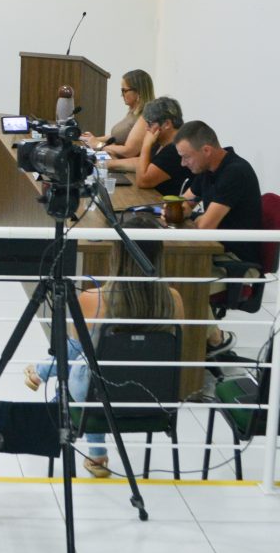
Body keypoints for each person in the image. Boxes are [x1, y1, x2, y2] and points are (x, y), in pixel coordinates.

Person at [24, 212, 184, 477]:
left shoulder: (93, 298)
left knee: (81, 362)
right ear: (159, 254)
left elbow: (76, 350)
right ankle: (95, 456)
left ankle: (42, 375)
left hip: (100, 397)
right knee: (91, 366)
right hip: (153, 396)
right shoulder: (173, 300)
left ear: (116, 253)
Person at [174, 120, 262, 355]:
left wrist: (189, 217)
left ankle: (216, 340)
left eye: (186, 157)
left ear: (206, 150)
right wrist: (179, 211)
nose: (183, 164)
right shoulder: (207, 170)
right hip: (215, 254)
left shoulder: (235, 172)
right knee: (169, 272)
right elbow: (184, 204)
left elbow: (205, 226)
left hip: (237, 263)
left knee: (179, 284)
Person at [107, 97, 192, 195]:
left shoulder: (175, 149)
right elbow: (143, 163)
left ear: (167, 124)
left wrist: (146, 145)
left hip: (163, 202)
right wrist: (110, 164)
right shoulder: (162, 142)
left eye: (150, 124)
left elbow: (143, 181)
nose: (147, 128)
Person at [81, 69, 155, 159]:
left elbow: (129, 151)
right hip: (113, 159)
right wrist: (91, 139)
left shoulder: (145, 117)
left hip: (121, 165)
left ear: (138, 91)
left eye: (124, 90)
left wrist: (98, 144)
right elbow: (118, 136)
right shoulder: (133, 112)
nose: (122, 95)